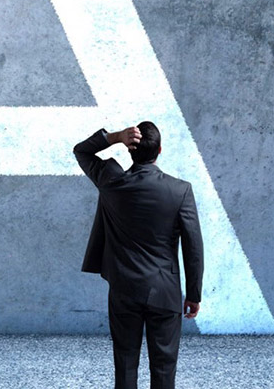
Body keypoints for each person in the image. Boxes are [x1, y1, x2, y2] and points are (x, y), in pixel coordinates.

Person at [74, 121, 204, 389]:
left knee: (125, 365)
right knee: (164, 370)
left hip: (124, 289)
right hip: (164, 290)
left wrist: (114, 137)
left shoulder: (111, 181)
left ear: (130, 150)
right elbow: (193, 248)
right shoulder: (180, 191)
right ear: (159, 150)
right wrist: (193, 294)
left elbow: (82, 151)